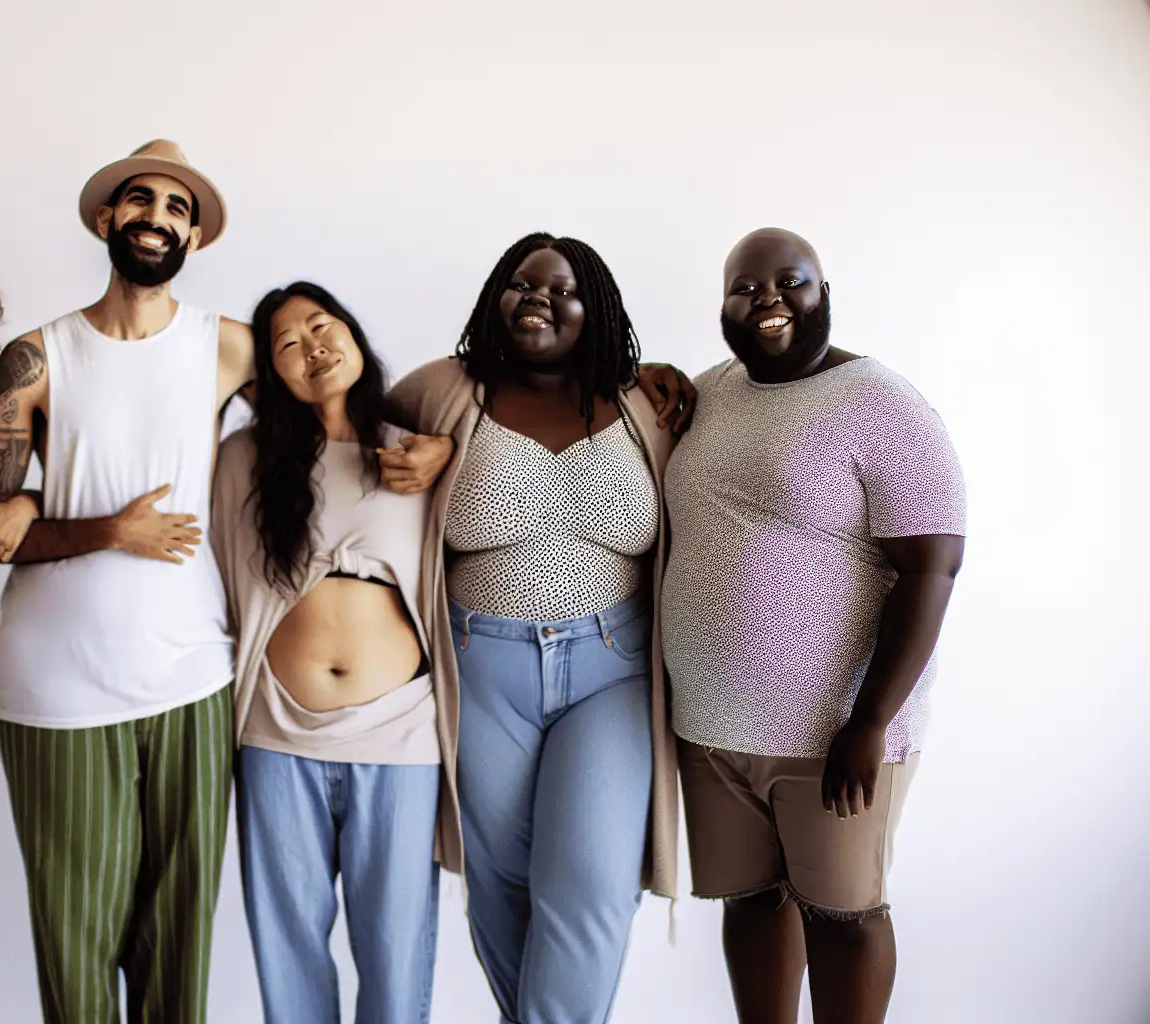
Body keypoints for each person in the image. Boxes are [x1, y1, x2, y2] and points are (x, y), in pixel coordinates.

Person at [0, 141, 454, 1022]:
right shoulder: (35, 357)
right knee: (79, 941)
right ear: (107, 219)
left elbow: (340, 398)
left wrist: (442, 438)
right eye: (139, 202)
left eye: (178, 209)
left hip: (194, 678)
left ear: (194, 238)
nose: (157, 218)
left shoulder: (230, 347)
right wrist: (99, 526)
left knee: (179, 946)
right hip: (58, 683)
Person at [387, 233, 695, 1024]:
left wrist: (667, 373)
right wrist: (405, 453)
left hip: (613, 670)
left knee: (591, 880)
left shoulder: (642, 405)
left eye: (563, 290)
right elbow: (347, 433)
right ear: (495, 297)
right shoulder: (442, 391)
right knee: (502, 884)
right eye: (522, 284)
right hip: (481, 665)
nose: (540, 299)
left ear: (597, 310)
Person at [660, 228, 965, 1024]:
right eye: (744, 287)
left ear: (823, 292)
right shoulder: (708, 394)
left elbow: (931, 569)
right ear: (722, 307)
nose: (766, 298)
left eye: (788, 282)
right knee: (752, 902)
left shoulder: (880, 404)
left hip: (832, 735)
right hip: (713, 728)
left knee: (844, 911)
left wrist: (870, 721)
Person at [213, 282, 453, 1024]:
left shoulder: (413, 451)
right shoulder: (244, 460)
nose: (312, 346)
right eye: (287, 343)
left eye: (322, 326)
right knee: (288, 945)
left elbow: (486, 380)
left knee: (395, 947)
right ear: (268, 375)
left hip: (401, 732)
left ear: (353, 332)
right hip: (277, 734)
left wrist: (445, 446)